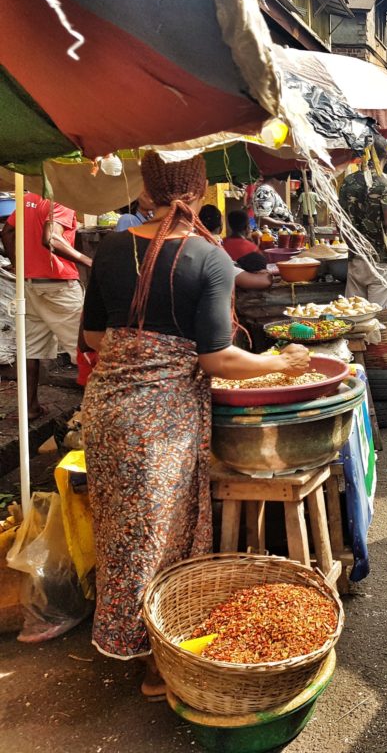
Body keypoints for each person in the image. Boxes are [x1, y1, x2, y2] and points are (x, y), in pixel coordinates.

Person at [81, 152, 310, 695]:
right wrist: (283, 363)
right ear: (202, 191)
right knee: (163, 539)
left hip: (107, 411)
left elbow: (93, 340)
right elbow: (218, 359)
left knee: (121, 536)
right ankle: (158, 663)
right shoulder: (208, 256)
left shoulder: (111, 247)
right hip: (161, 423)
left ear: (146, 189)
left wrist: (140, 352)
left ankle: (125, 636)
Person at [1, 193, 91, 419]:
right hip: (59, 285)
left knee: (31, 349)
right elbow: (51, 238)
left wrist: (17, 264)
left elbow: (7, 231)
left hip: (30, 284)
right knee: (85, 349)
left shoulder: (26, 198)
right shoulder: (63, 199)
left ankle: (29, 408)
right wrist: (90, 261)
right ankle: (92, 412)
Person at [339, 133, 387, 309]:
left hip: (356, 260)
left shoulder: (347, 182)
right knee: (381, 320)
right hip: (383, 263)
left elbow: (341, 223)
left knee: (357, 318)